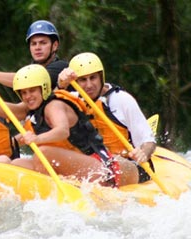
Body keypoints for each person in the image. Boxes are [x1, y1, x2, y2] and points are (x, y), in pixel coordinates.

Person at [0, 63, 142, 186]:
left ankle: (52, 188)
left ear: (43, 88)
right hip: (71, 167)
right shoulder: (30, 109)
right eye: (24, 92)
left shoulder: (54, 105)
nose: (28, 96)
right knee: (14, 164)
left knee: (44, 153)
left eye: (32, 91)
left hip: (101, 166)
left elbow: (62, 131)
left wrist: (36, 138)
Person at [57, 52, 156, 183]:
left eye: (93, 78)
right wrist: (60, 86)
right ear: (75, 82)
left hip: (130, 166)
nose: (89, 85)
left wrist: (143, 153)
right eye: (83, 80)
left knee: (105, 164)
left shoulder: (121, 99)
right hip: (94, 163)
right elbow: (48, 112)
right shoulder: (73, 100)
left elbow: (149, 141)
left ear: (101, 77)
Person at [0, 20, 69, 89]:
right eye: (33, 44)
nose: (37, 47)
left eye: (43, 43)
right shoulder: (30, 70)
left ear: (55, 46)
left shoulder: (61, 67)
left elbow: (24, 80)